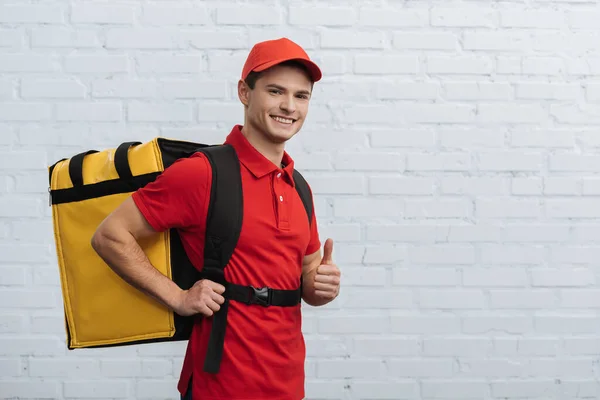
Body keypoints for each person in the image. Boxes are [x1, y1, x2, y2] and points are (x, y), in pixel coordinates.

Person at [90, 37, 341, 400]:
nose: (289, 106)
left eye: (301, 96)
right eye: (275, 91)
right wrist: (177, 297)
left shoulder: (299, 186)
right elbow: (109, 235)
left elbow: (307, 279)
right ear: (244, 92)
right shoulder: (203, 173)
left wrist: (321, 287)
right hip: (219, 386)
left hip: (287, 384)